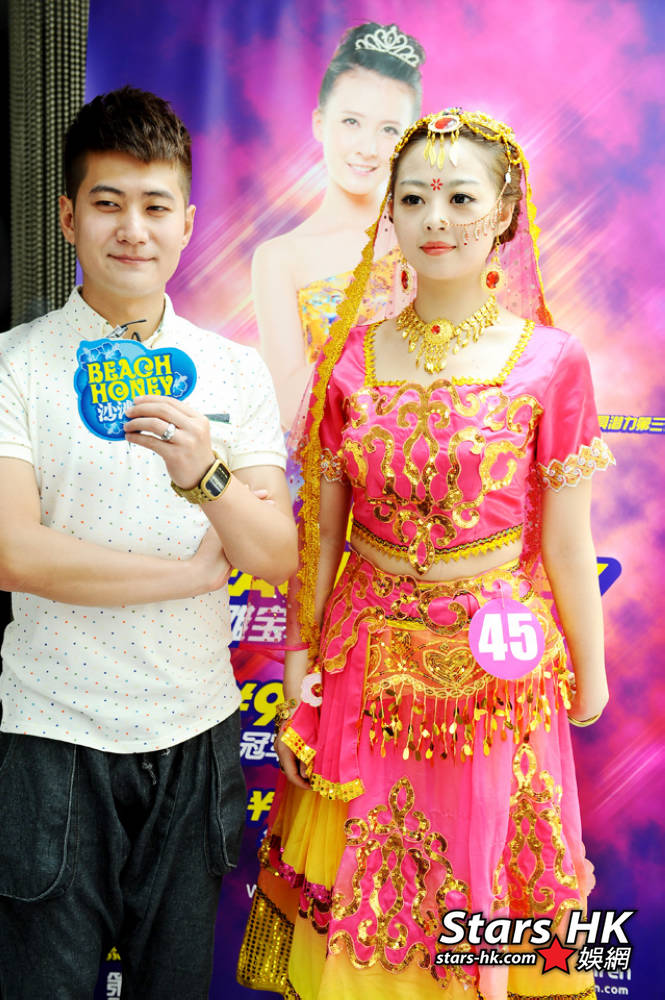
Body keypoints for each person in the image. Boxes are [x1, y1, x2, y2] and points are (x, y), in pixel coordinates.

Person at [238, 109, 614, 1000]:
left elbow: (567, 543)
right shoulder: (350, 361)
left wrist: (589, 674)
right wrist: (299, 658)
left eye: (458, 198)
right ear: (390, 215)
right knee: (372, 898)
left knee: (483, 883)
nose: (433, 218)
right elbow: (320, 537)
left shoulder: (551, 361)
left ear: (504, 211)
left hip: (496, 669)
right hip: (363, 664)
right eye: (411, 199)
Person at [0, 86, 297, 999]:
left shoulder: (234, 371)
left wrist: (207, 475)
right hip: (53, 740)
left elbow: (274, 555)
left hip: (193, 734)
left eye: (156, 206)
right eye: (108, 203)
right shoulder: (16, 363)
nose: (133, 229)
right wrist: (186, 575)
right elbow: (14, 553)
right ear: (67, 217)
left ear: (188, 223)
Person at [254, 22, 425, 427]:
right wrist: (379, 342)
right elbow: (286, 406)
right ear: (319, 123)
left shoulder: (429, 240)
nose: (368, 148)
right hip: (327, 457)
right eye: (351, 122)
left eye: (389, 130)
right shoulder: (279, 258)